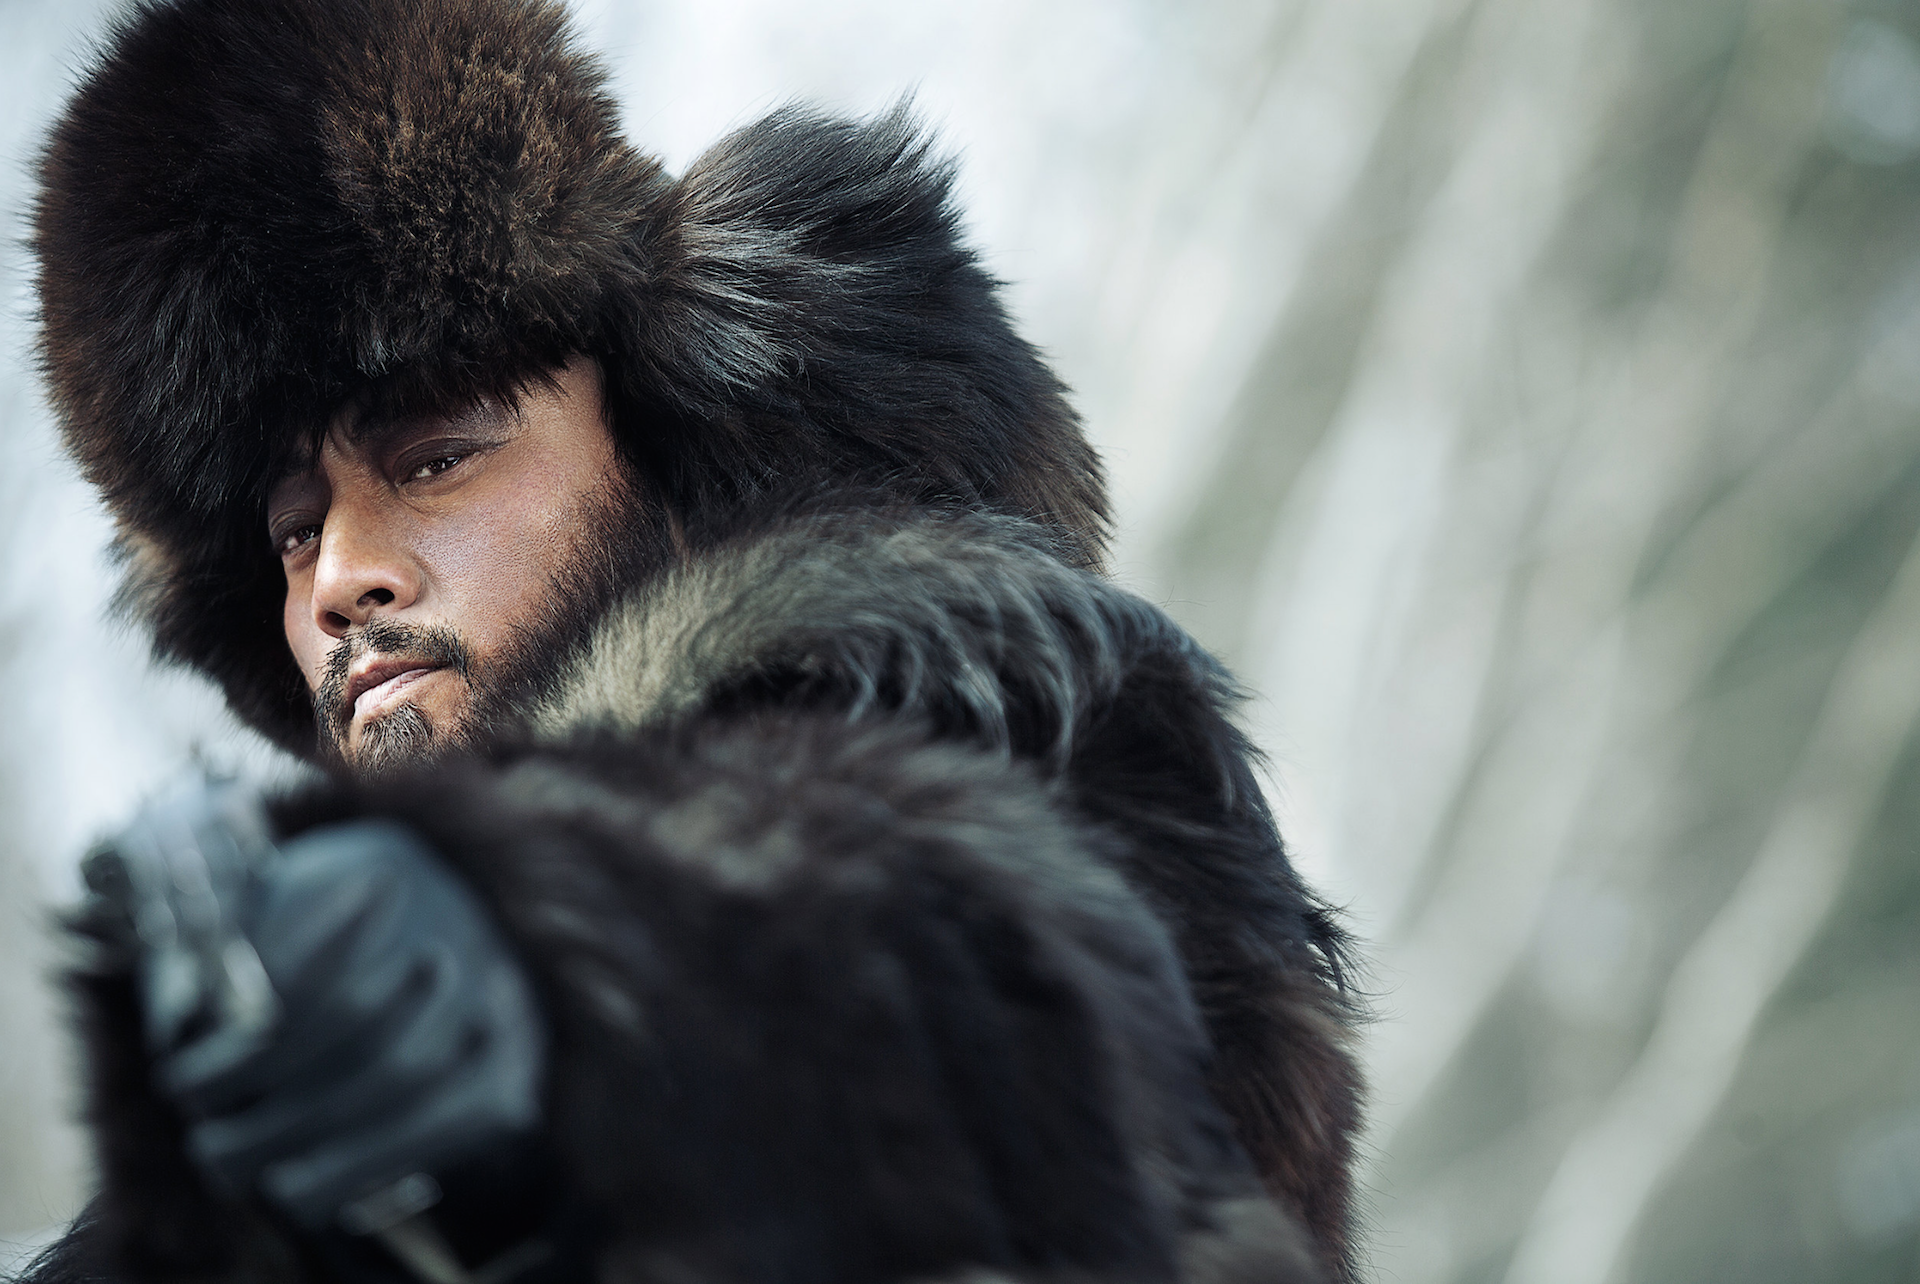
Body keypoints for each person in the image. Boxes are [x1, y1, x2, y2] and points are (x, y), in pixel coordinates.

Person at [20, 1, 1365, 1282]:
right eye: (295, 533)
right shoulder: (333, 1030)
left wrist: (535, 975)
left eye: (434, 460)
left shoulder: (1006, 719)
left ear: (660, 454)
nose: (341, 579)